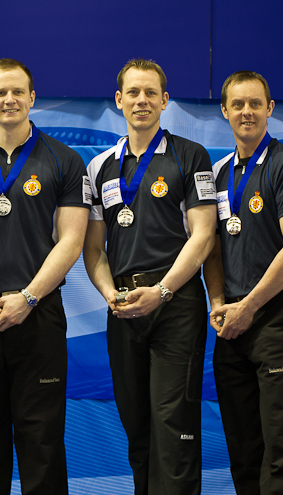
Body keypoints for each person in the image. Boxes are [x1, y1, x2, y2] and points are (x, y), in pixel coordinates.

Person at [0, 58, 89, 495]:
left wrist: (28, 297)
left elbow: (71, 241)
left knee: (41, 438)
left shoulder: (65, 161)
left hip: (38, 315)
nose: (9, 100)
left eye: (18, 92)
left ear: (32, 98)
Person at [82, 58, 217, 495]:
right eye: (133, 93)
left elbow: (204, 235)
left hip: (174, 302)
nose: (142, 101)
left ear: (165, 100)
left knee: (172, 420)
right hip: (123, 307)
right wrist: (109, 294)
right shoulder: (101, 165)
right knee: (137, 422)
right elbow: (93, 249)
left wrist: (160, 291)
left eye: (150, 93)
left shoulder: (189, 155)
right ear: (119, 101)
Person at [204, 71, 283, 495]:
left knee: (280, 443)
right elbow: (211, 249)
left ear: (270, 109)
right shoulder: (217, 175)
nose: (246, 112)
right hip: (230, 319)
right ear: (225, 111)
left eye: (255, 103)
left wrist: (247, 307)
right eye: (238, 104)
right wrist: (218, 302)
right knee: (243, 443)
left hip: (276, 315)